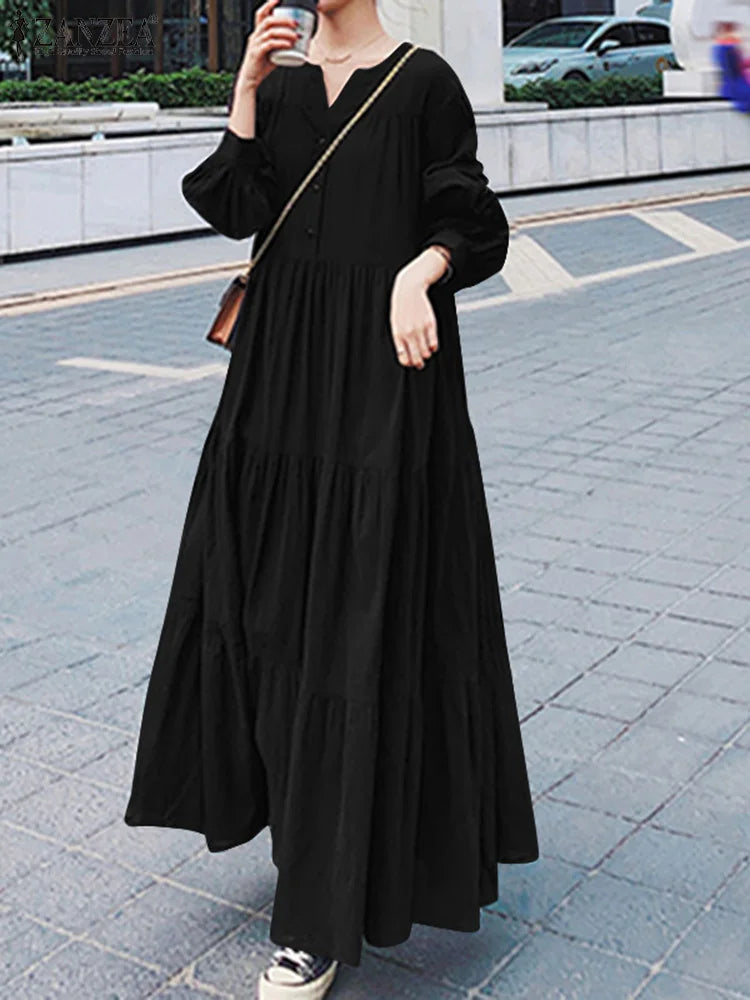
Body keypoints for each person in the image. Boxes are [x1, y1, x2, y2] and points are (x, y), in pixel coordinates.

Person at [123, 0, 540, 996]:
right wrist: (244, 91)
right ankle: (300, 827)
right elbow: (234, 204)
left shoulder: (423, 81)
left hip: (382, 400)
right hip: (274, 395)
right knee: (265, 616)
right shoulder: (281, 87)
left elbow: (475, 221)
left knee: (355, 636)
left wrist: (419, 273)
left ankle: (316, 914)